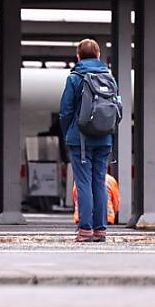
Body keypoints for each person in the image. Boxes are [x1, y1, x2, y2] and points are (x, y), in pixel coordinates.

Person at [59, 38, 116, 242]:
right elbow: (116, 110)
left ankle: (85, 230)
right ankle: (100, 230)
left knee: (83, 183)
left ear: (78, 56)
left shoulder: (75, 78)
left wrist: (69, 133)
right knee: (99, 183)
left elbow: (65, 111)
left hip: (80, 140)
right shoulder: (109, 77)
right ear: (99, 55)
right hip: (104, 139)